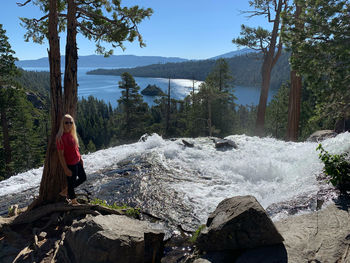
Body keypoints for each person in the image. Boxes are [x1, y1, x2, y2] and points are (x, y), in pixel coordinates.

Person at [56, 114, 86, 205]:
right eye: (66, 122)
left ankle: (65, 191)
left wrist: (80, 159)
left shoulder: (72, 134)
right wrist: (65, 169)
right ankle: (73, 201)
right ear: (63, 124)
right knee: (71, 182)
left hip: (77, 162)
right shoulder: (60, 138)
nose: (69, 124)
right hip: (70, 164)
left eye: (71, 122)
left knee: (83, 178)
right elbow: (61, 155)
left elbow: (76, 149)